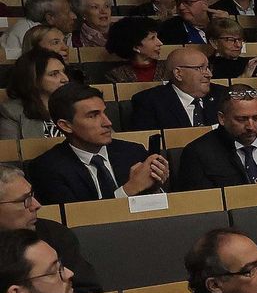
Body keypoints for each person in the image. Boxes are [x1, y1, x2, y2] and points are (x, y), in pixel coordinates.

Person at [31, 86, 170, 205]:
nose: (108, 122)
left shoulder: (133, 152)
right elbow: (75, 220)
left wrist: (153, 188)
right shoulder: (47, 169)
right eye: (93, 116)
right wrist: (128, 190)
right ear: (66, 126)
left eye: (104, 113)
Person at [170, 88, 257, 191]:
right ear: (222, 118)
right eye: (242, 119)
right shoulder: (198, 154)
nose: (251, 126)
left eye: (256, 118)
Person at [128, 45, 217, 130]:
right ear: (178, 74)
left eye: (208, 68)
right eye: (200, 68)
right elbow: (147, 138)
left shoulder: (221, 95)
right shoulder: (149, 102)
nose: (209, 74)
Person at [1, 48, 71, 139]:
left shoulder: (77, 105)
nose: (65, 79)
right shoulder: (12, 111)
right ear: (33, 79)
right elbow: (10, 147)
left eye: (64, 72)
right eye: (54, 74)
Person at [104, 18, 164, 85]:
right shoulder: (116, 76)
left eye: (157, 37)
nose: (160, 43)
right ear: (136, 47)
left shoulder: (168, 69)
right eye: (152, 38)